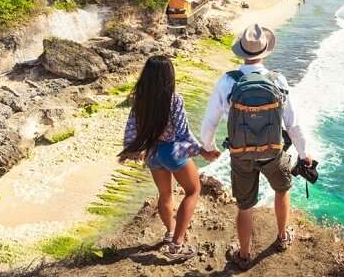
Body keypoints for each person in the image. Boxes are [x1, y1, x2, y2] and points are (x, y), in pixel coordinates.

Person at [201, 23, 312, 270]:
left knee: (244, 206)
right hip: (273, 153)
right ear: (265, 52)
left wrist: (208, 147)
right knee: (282, 190)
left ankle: (243, 254)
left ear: (241, 52)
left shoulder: (227, 81)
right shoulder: (278, 80)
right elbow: (293, 124)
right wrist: (305, 154)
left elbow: (210, 122)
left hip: (240, 155)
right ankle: (282, 237)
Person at [118, 55, 218, 260]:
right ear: (168, 76)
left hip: (153, 154)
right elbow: (183, 133)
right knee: (193, 190)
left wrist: (131, 150)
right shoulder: (174, 99)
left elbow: (131, 128)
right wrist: (203, 151)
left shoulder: (139, 100)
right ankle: (177, 245)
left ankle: (171, 231)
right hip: (171, 152)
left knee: (165, 195)